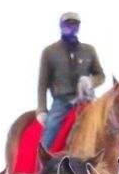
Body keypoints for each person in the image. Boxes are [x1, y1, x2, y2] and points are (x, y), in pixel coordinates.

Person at [37, 11, 105, 150]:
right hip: (62, 101)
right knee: (50, 130)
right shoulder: (50, 52)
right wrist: (42, 109)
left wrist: (90, 81)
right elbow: (42, 84)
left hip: (86, 100)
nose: (71, 27)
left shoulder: (89, 50)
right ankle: (43, 164)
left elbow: (100, 75)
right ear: (61, 26)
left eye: (75, 24)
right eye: (68, 24)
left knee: (107, 124)